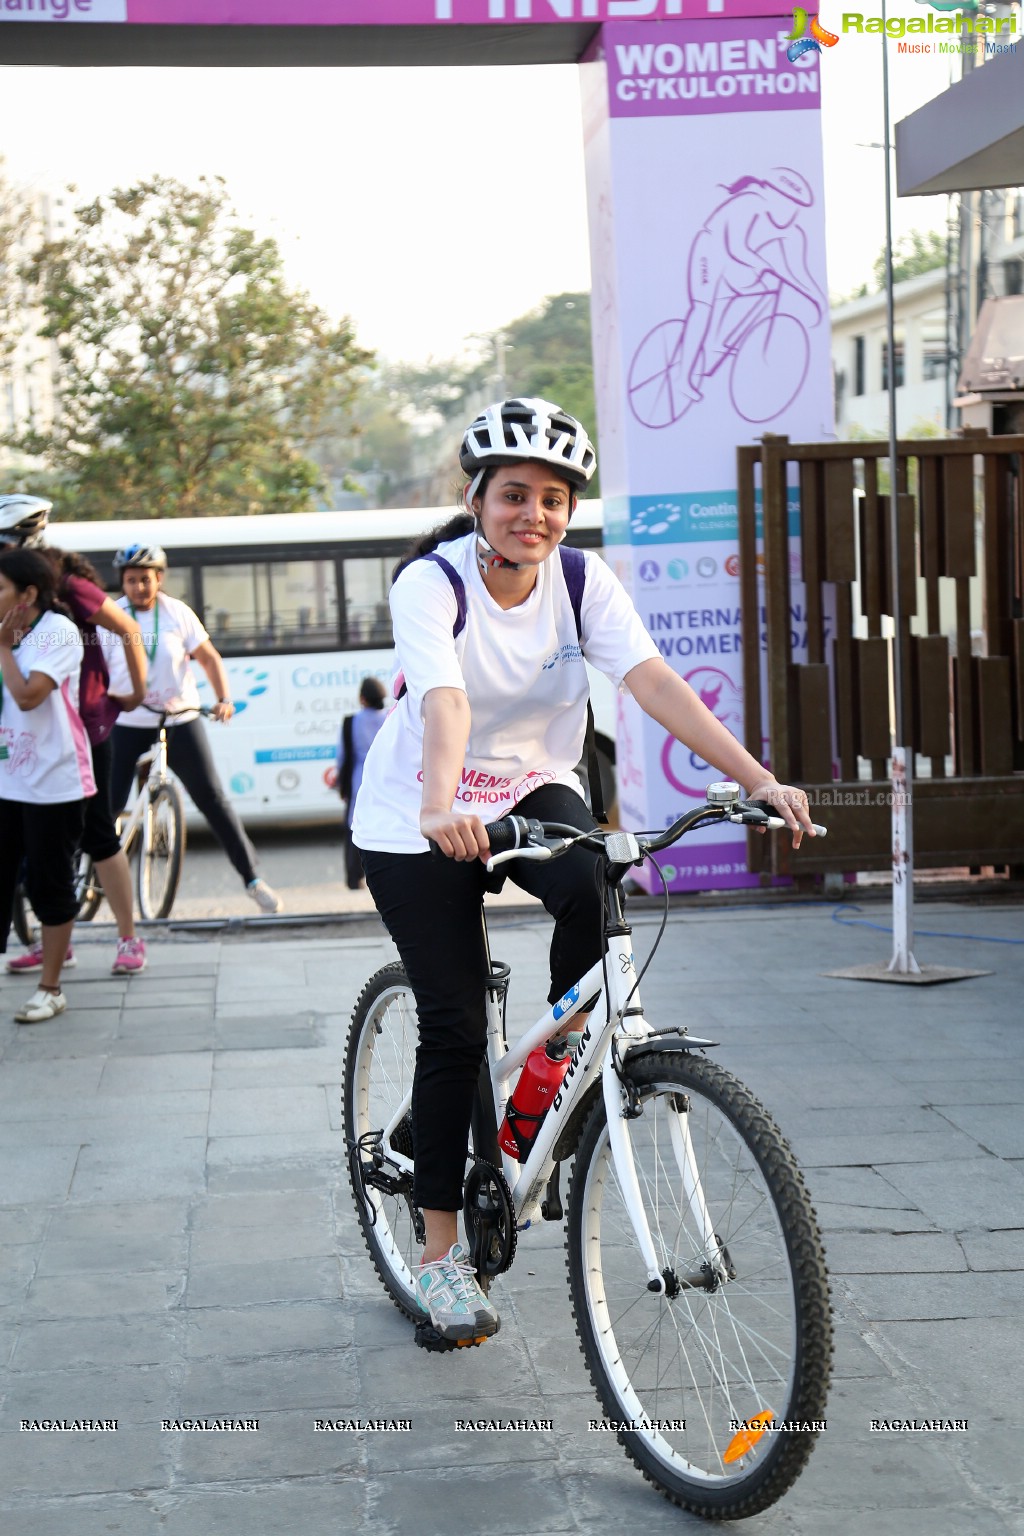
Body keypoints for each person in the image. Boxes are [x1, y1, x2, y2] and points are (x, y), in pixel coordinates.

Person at [351, 397, 817, 1346]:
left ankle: (543, 1089)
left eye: (554, 499)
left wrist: (758, 779)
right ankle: (441, 1256)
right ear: (477, 499)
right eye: (514, 494)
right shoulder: (432, 585)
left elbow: (651, 681)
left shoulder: (578, 580)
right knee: (450, 1024)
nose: (535, 513)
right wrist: (445, 805)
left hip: (529, 783)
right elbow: (442, 698)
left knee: (594, 879)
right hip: (418, 812)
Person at [0, 495, 150, 977]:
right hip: (30, 740)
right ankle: (55, 943)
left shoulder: (67, 585)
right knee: (38, 846)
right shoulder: (10, 591)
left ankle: (129, 938)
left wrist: (134, 691)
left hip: (83, 728)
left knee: (98, 833)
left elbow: (126, 625)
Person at [105, 543, 283, 915]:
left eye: (146, 579)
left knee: (213, 799)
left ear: (160, 579)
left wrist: (224, 698)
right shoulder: (110, 616)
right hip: (128, 721)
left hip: (178, 719)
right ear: (122, 582)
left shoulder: (177, 613)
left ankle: (252, 878)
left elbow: (208, 657)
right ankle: (89, 877)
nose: (139, 587)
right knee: (108, 804)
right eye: (131, 580)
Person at [0, 547, 96, 1023]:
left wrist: (2, 648)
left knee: (49, 885)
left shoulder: (57, 632)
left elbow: (27, 697)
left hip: (55, 782)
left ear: (28, 594)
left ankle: (51, 988)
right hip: (9, 780)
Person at [336, 675, 388, 890]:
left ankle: (353, 878)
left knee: (354, 829)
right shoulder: (391, 717)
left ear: (362, 699)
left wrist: (342, 786)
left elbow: (342, 757)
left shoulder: (351, 722)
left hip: (359, 781)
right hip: (388, 780)